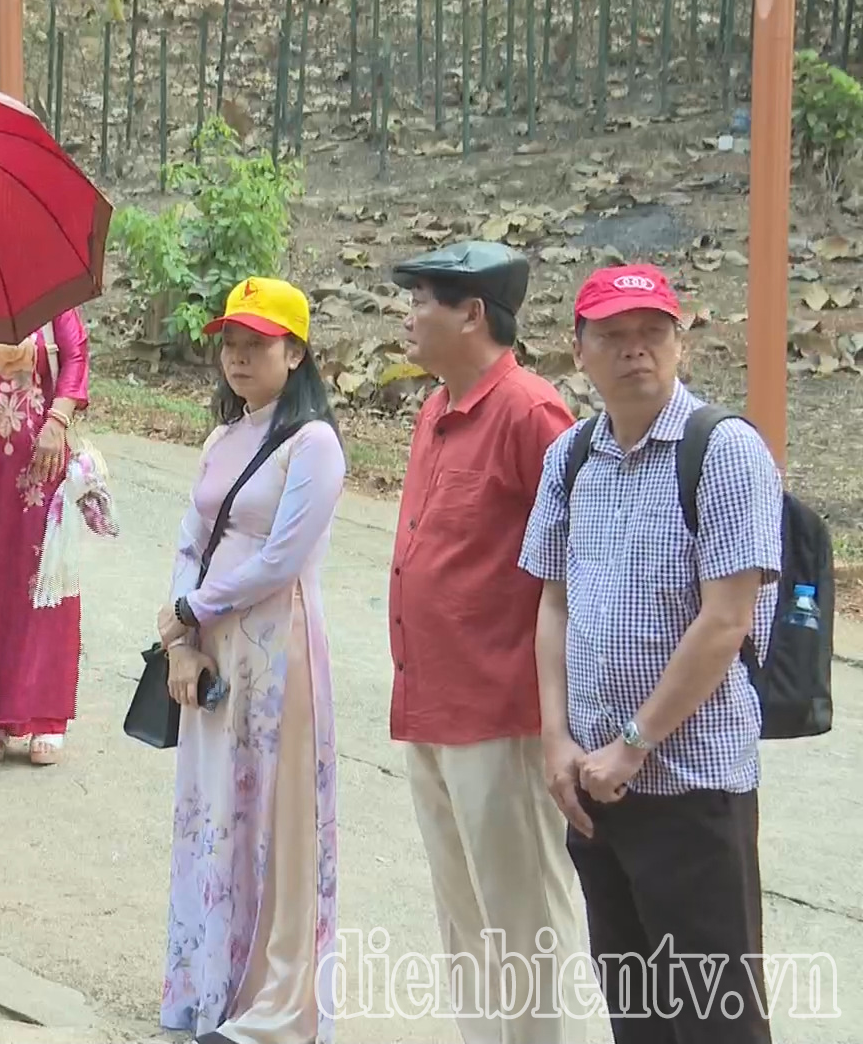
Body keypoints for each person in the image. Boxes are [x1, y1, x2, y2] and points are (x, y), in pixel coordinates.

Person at [519, 264, 780, 1044]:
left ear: (679, 342)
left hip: (691, 785)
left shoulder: (725, 451)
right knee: (636, 1012)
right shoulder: (570, 458)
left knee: (715, 1019)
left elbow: (726, 621)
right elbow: (553, 602)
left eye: (653, 334)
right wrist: (556, 737)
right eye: (614, 336)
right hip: (594, 792)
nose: (636, 351)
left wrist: (633, 744)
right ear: (580, 352)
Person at [387, 241, 582, 1043]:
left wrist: (563, 720)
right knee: (464, 923)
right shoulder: (436, 407)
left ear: (472, 313)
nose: (408, 315)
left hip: (503, 714)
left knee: (525, 922)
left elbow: (576, 572)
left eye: (421, 299)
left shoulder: (533, 414)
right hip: (430, 702)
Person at [156, 277, 343, 1044]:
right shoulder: (220, 438)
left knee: (276, 811)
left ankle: (277, 1003)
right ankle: (208, 987)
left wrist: (194, 610)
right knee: (214, 809)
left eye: (257, 343)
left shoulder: (315, 445)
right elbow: (188, 541)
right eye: (230, 343)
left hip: (277, 644)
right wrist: (180, 642)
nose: (238, 357)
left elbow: (281, 559)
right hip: (209, 645)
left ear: (295, 353)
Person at [0, 308, 90, 765]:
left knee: (40, 583)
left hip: (37, 460)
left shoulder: (47, 292)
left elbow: (76, 354)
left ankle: (45, 717)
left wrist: (58, 420)